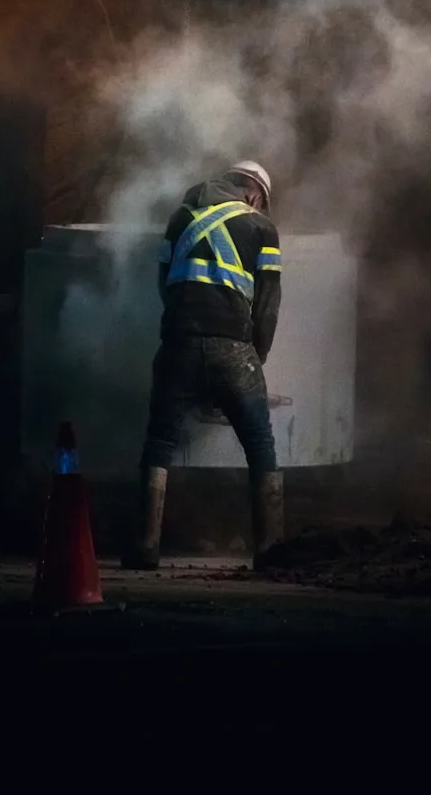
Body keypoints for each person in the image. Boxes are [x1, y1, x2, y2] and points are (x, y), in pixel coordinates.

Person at [122, 160, 284, 572]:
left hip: (177, 342)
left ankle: (145, 547)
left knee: (159, 443)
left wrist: (184, 322)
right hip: (234, 348)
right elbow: (267, 304)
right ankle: (270, 552)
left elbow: (164, 281)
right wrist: (256, 356)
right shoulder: (262, 228)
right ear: (254, 194)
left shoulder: (180, 217)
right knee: (261, 446)